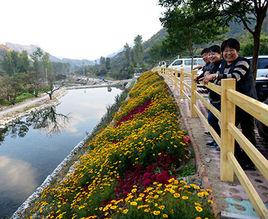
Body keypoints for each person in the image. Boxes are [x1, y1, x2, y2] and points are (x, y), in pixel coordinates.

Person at [204, 38, 257, 170]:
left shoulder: (243, 62)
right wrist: (209, 77)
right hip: (231, 104)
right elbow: (219, 81)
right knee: (228, 129)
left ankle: (250, 162)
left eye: (231, 50)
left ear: (237, 51)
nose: (228, 53)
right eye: (226, 51)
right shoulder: (223, 64)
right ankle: (238, 157)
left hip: (246, 103)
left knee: (247, 132)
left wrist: (215, 76)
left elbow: (235, 77)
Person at [201, 45, 222, 150]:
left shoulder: (222, 64)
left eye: (213, 54)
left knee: (213, 120)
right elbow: (207, 74)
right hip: (214, 97)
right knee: (212, 120)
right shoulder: (212, 65)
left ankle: (220, 143)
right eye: (210, 54)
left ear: (220, 54)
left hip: (220, 98)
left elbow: (217, 76)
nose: (210, 56)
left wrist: (211, 76)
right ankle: (217, 141)